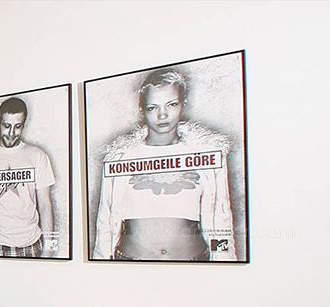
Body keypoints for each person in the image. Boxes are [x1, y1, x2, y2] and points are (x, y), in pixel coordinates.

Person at [92, 69, 236, 261]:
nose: (162, 115)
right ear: (142, 109)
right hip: (130, 263)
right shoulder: (119, 156)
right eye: (153, 107)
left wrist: (225, 262)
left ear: (183, 103)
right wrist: (101, 261)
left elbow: (221, 217)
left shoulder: (208, 153)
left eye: (172, 104)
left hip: (194, 263)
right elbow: (105, 220)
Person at [0, 97, 57, 258]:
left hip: (30, 243)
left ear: (24, 125)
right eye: (7, 126)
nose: (11, 133)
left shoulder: (38, 156)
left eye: (17, 126)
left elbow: (46, 205)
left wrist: (50, 249)